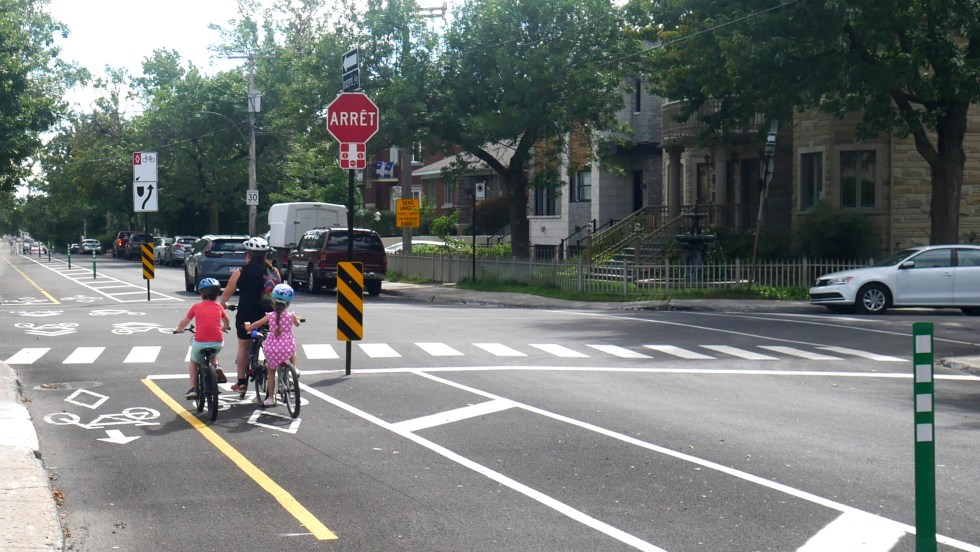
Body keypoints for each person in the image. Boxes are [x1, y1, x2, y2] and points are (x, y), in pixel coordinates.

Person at [219, 236, 279, 393]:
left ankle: (241, 382)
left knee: (244, 346)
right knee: (269, 341)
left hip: (247, 313)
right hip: (268, 314)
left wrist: (223, 305)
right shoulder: (273, 271)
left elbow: (226, 294)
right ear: (265, 255)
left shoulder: (240, 272)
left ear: (248, 255)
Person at [244, 283, 300, 406]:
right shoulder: (291, 316)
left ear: (273, 301)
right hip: (286, 346)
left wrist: (249, 327)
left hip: (272, 348)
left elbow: (257, 324)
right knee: (293, 349)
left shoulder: (269, 316)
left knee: (271, 371)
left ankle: (270, 398)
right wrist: (297, 319)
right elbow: (297, 324)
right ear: (289, 303)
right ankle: (294, 369)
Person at [174, 278, 230, 399]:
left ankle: (193, 388)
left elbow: (184, 322)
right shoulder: (219, 307)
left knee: (194, 361)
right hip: (217, 342)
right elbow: (227, 321)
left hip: (200, 342)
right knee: (213, 354)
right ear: (217, 293)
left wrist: (179, 328)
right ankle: (217, 368)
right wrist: (224, 327)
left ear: (201, 293)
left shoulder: (196, 307)